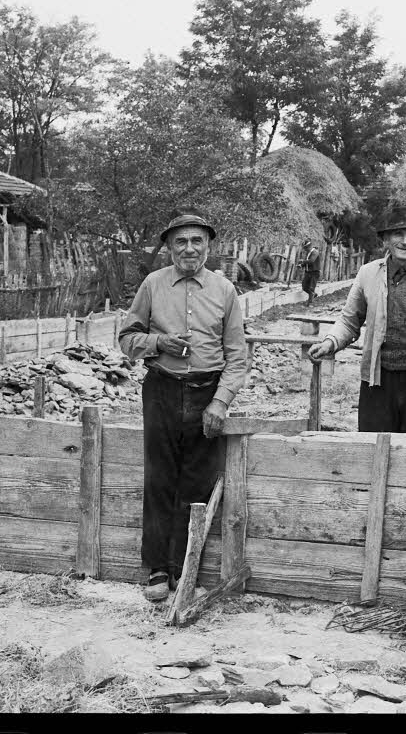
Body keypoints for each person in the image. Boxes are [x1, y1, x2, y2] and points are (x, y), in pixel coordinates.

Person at [117, 211, 246, 602]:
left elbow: (237, 355)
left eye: (197, 241)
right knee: (160, 478)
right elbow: (126, 338)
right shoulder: (153, 285)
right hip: (162, 390)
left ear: (209, 246)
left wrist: (220, 402)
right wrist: (159, 344)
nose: (189, 249)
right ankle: (157, 569)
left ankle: (186, 567)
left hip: (207, 393)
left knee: (198, 483)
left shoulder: (224, 290)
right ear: (169, 247)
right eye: (180, 242)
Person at [308, 207, 406, 433]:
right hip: (377, 381)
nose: (405, 242)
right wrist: (330, 342)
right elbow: (349, 320)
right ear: (386, 239)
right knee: (374, 450)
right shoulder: (368, 274)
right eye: (398, 234)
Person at [300, 239, 321, 305]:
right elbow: (307, 262)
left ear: (309, 246)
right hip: (308, 272)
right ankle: (313, 295)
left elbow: (311, 261)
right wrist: (301, 265)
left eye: (306, 248)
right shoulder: (308, 253)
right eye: (304, 248)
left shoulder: (315, 252)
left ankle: (310, 303)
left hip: (314, 272)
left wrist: (303, 261)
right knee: (304, 287)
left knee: (311, 288)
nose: (305, 249)